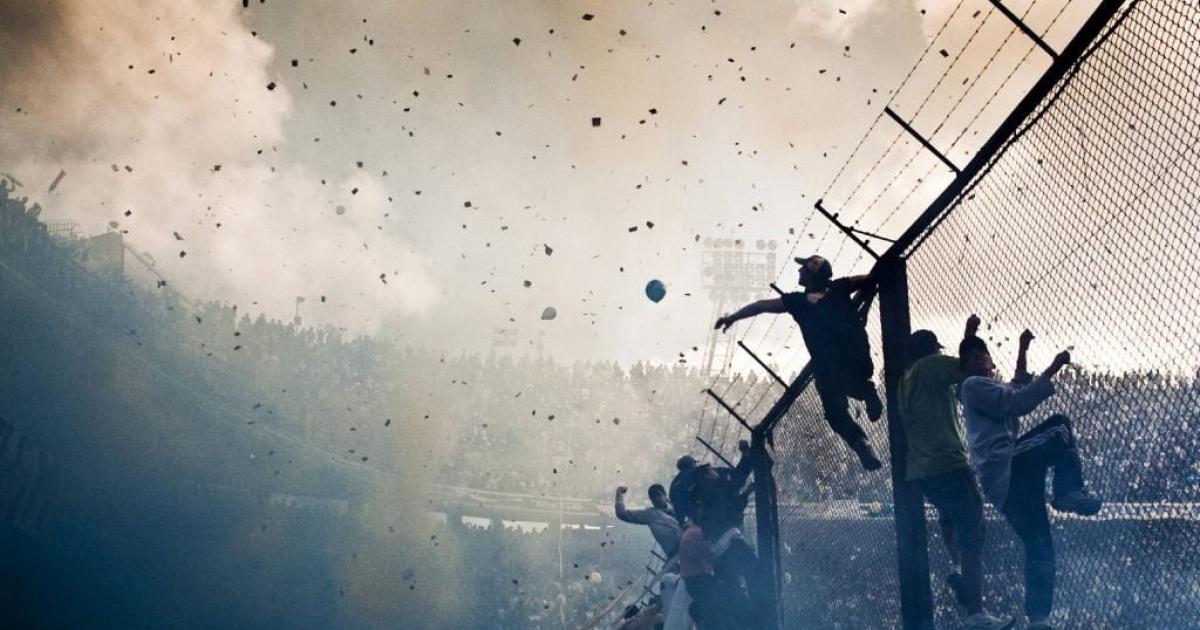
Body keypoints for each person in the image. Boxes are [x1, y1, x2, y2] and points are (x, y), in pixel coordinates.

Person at [959, 331, 1103, 630]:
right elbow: (1019, 401)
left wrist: (1023, 347)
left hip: (1007, 487)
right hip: (1007, 465)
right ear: (966, 368)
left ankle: (1039, 620)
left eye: (982, 356)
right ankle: (1067, 490)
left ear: (990, 362)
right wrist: (1053, 367)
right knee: (1059, 428)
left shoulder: (989, 390)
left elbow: (1018, 385)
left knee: (1039, 545)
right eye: (972, 359)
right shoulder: (972, 386)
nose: (979, 361)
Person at [715, 254, 884, 470]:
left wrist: (733, 317)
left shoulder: (799, 302)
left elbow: (761, 306)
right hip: (858, 358)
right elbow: (870, 280)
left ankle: (862, 442)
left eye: (803, 268)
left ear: (812, 272)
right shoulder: (841, 287)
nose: (798, 271)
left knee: (835, 410)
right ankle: (867, 395)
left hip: (830, 365)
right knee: (843, 387)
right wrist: (861, 306)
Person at [899, 316, 1014, 630]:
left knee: (949, 517)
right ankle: (976, 613)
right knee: (973, 529)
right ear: (933, 350)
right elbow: (968, 370)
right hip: (947, 462)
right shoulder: (933, 366)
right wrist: (970, 335)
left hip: (921, 469)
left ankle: (955, 569)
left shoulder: (906, 378)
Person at [615, 484, 683, 560]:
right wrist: (619, 493)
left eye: (658, 495)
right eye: (653, 497)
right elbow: (622, 514)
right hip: (677, 555)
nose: (656, 498)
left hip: (693, 543)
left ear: (664, 495)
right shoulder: (650, 514)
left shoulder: (677, 509)